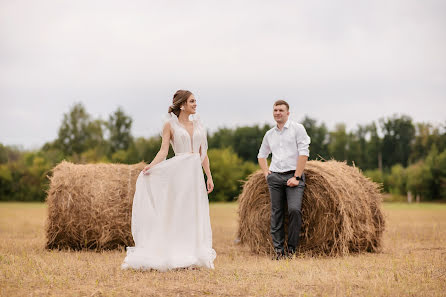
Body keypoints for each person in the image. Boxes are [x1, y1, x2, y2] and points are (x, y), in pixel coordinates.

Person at [121, 90, 216, 271]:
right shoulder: (169, 125)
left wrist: (208, 176)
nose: (196, 104)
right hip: (178, 172)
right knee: (177, 210)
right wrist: (151, 166)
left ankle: (193, 253)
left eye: (195, 101)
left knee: (194, 211)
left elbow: (204, 154)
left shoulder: (200, 125)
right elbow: (164, 151)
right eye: (192, 101)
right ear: (182, 105)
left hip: (195, 174)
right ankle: (175, 252)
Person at [257, 100, 311, 260]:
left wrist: (297, 176)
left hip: (293, 176)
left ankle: (291, 250)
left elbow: (304, 153)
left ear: (288, 113)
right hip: (275, 177)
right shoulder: (269, 134)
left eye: (281, 110)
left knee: (294, 210)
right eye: (275, 110)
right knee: (276, 213)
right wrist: (267, 173)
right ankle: (279, 251)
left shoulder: (297, 129)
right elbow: (261, 155)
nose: (277, 113)